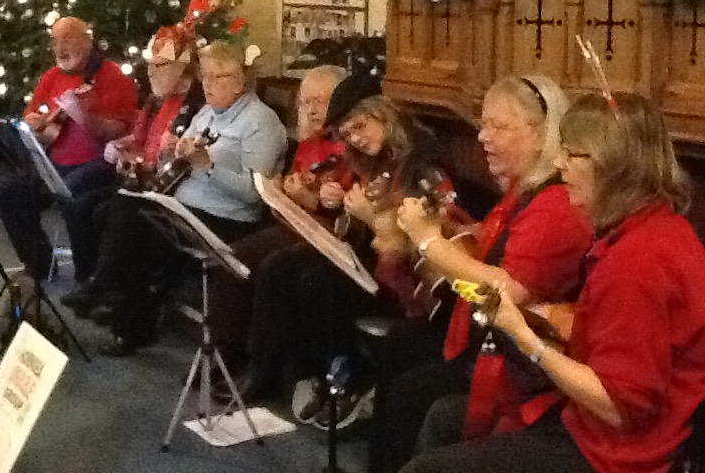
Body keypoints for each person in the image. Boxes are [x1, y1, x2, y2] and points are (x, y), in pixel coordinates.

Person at [400, 93, 705, 473]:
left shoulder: (638, 260)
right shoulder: (660, 227)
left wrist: (527, 340)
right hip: (599, 426)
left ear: (615, 168)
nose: (559, 164)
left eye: (574, 154)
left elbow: (622, 405)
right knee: (443, 421)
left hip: (616, 454)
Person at [366, 75, 593, 473]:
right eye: (483, 124)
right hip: (491, 342)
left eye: (499, 127)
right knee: (400, 349)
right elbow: (491, 255)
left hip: (521, 367)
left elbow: (506, 289)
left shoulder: (556, 204)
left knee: (411, 397)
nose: (483, 137)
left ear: (543, 135)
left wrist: (428, 241)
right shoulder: (524, 192)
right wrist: (452, 232)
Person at [227, 76, 458, 423]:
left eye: (360, 127)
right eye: (347, 135)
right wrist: (338, 207)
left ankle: (344, 374)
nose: (355, 139)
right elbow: (358, 221)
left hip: (404, 275)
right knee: (281, 265)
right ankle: (272, 368)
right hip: (370, 254)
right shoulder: (371, 159)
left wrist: (367, 214)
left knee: (317, 282)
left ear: (384, 116)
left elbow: (420, 234)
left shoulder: (421, 162)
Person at [78, 40, 288, 356]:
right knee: (113, 208)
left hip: (226, 219)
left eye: (220, 77)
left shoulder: (261, 121)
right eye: (205, 76)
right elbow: (178, 166)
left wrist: (207, 164)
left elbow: (254, 194)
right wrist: (169, 154)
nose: (210, 84)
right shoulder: (207, 113)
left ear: (241, 80)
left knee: (129, 221)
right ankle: (119, 304)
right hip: (185, 204)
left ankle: (113, 300)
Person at [206, 64, 349, 374]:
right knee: (231, 258)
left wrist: (306, 199)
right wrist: (279, 191)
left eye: (321, 102)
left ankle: (259, 367)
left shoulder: (348, 147)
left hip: (324, 238)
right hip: (293, 225)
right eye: (306, 102)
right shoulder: (310, 144)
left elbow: (343, 217)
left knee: (270, 267)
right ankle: (224, 356)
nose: (312, 111)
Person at [60, 23, 203, 301]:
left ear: (182, 68)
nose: (150, 71)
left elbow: (173, 159)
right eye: (151, 64)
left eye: (159, 65)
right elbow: (141, 137)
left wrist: (137, 159)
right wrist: (124, 147)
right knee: (80, 204)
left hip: (159, 186)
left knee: (102, 209)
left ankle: (105, 285)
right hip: (138, 175)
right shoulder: (157, 98)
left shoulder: (193, 104)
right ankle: (91, 278)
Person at [0, 17, 138, 284]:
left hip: (98, 164)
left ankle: (88, 278)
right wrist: (35, 124)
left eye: (68, 38)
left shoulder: (112, 77)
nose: (60, 46)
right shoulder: (51, 77)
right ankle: (39, 264)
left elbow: (119, 131)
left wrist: (86, 115)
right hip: (52, 164)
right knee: (6, 190)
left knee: (70, 191)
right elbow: (30, 118)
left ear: (88, 40)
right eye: (55, 40)